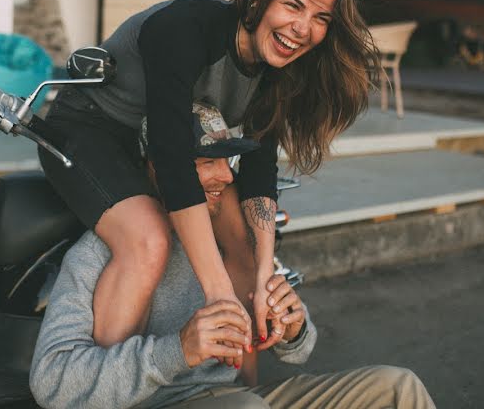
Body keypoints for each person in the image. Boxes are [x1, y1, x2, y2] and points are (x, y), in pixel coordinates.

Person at [38, 0, 377, 357]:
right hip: (89, 131)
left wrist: (263, 274)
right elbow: (172, 156)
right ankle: (108, 382)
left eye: (320, 16)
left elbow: (258, 166)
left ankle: (239, 391)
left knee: (246, 245)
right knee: (148, 238)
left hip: (159, 141)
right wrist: (219, 293)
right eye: (292, 5)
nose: (303, 29)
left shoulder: (278, 64)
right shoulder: (186, 28)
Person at [29, 104, 435, 408]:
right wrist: (177, 351)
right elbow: (52, 384)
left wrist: (292, 328)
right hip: (168, 403)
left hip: (243, 399)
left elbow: (300, 349)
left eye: (227, 161)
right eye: (207, 162)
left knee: (398, 389)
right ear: (157, 168)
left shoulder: (225, 238)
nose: (225, 176)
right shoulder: (102, 252)